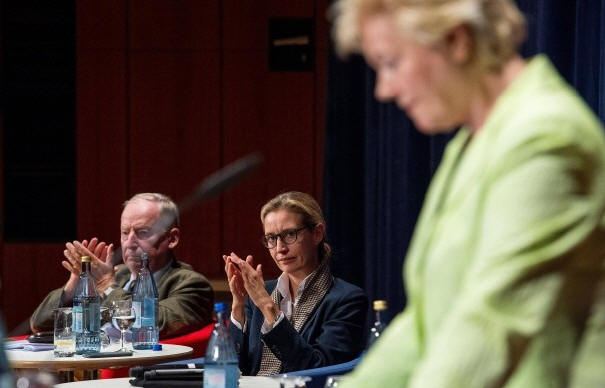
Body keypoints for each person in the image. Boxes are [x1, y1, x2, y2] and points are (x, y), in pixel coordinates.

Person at [331, 0, 605, 387]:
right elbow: (424, 328)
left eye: (391, 63)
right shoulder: (473, 142)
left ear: (456, 41)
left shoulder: (546, 137)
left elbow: (490, 327)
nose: (384, 90)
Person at [30, 192, 214, 338]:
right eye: (125, 232)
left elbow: (152, 324)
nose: (130, 242)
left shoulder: (192, 285)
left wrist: (107, 287)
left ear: (171, 238)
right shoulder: (117, 275)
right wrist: (75, 284)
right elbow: (39, 324)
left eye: (143, 232)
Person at [223, 191, 368, 375]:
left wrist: (268, 307)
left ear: (317, 233)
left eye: (290, 234)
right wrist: (238, 305)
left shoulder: (347, 299)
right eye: (271, 238)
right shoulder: (261, 293)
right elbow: (233, 367)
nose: (280, 249)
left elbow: (318, 369)